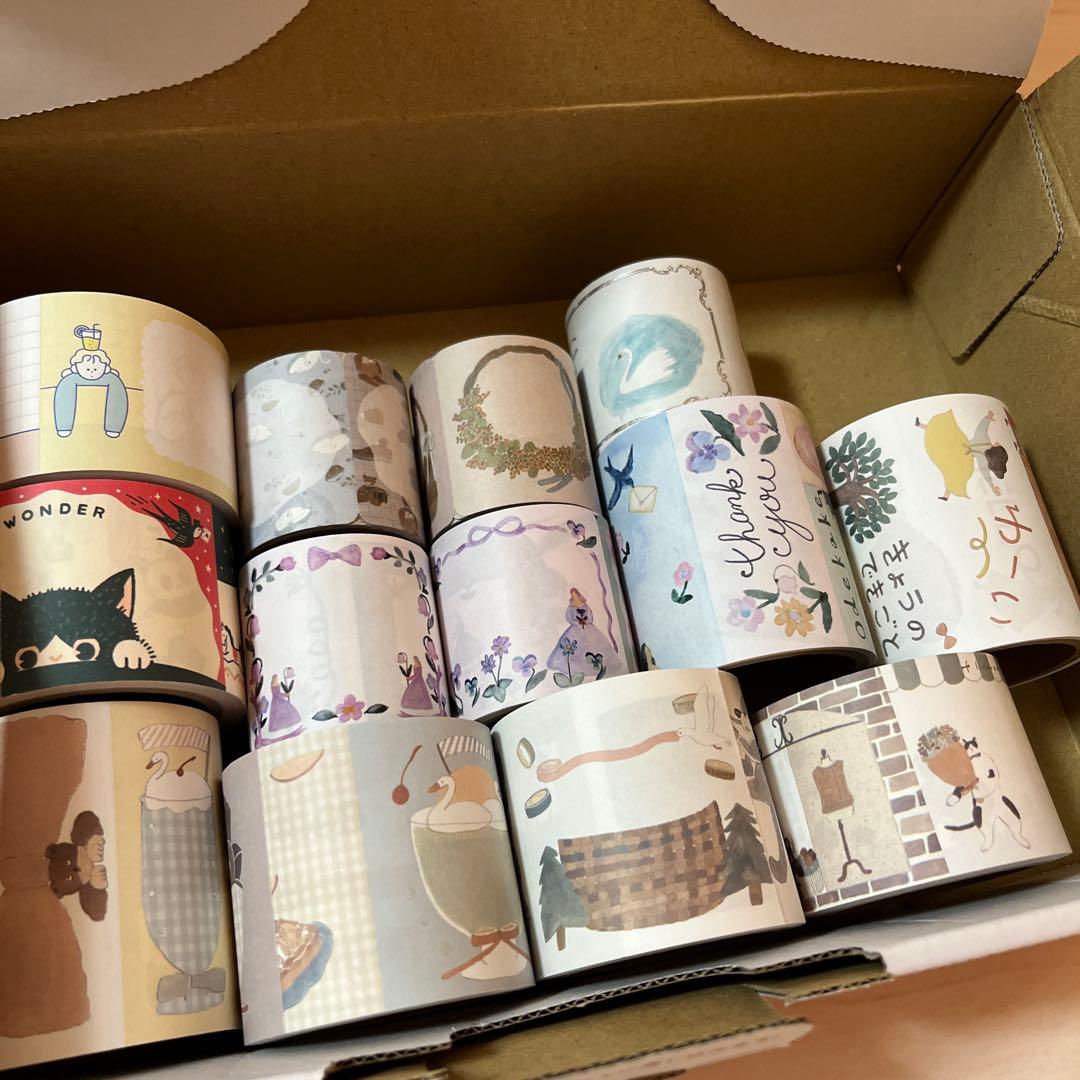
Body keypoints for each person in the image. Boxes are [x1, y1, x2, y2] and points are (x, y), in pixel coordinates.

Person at [53, 327, 130, 438]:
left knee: (116, 383)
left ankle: (114, 427)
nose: (92, 372)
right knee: (65, 383)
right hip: (78, 376)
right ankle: (63, 426)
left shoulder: (112, 378)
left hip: (103, 376)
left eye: (94, 369)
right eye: (89, 369)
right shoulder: (69, 379)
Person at [917, 409, 1008, 501]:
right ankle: (946, 495)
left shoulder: (984, 439)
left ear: (995, 447)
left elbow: (981, 429)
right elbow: (985, 473)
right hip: (964, 459)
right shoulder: (984, 460)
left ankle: (921, 425)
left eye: (998, 445)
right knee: (953, 475)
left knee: (943, 434)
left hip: (960, 447)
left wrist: (988, 418)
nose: (998, 443)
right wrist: (992, 486)